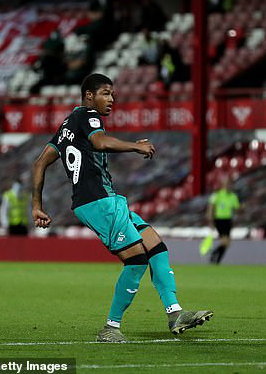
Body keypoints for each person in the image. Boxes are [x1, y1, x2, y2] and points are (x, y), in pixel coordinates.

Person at [31, 73, 212, 343]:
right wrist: (135, 146)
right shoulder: (88, 116)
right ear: (89, 96)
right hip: (97, 201)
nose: (112, 99)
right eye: (105, 93)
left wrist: (37, 206)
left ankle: (175, 313)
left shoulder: (68, 124)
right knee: (137, 260)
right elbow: (100, 142)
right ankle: (110, 328)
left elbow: (39, 163)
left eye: (113, 94)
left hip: (107, 199)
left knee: (156, 246)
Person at [207, 176, 240, 264]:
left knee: (227, 243)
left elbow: (237, 208)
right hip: (219, 220)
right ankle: (214, 255)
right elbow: (211, 207)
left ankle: (216, 259)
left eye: (229, 184)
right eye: (227, 184)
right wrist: (210, 220)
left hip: (228, 220)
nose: (228, 186)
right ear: (223, 185)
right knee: (225, 241)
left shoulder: (233, 196)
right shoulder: (217, 195)